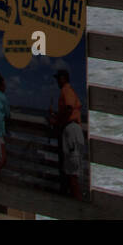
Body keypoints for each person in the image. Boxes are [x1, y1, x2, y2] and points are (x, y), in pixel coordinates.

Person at [49, 68, 85, 199]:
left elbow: (69, 108)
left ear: (64, 78)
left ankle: (77, 203)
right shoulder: (69, 90)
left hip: (71, 131)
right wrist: (57, 116)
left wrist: (56, 120)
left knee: (72, 173)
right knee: (73, 169)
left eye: (58, 78)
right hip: (73, 131)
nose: (57, 81)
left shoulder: (66, 90)